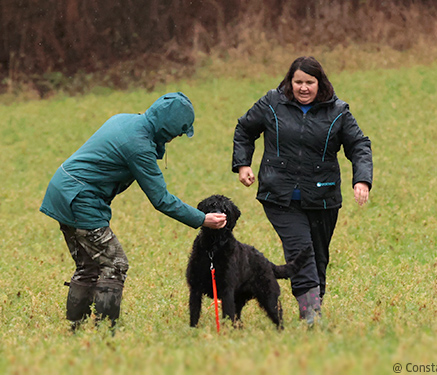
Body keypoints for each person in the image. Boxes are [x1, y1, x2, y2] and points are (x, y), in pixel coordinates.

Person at [40, 92, 227, 330]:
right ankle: (106, 331)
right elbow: (161, 199)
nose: (174, 139)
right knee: (116, 263)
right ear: (167, 129)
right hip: (81, 201)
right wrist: (202, 219)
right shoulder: (138, 147)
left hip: (62, 192)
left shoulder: (125, 120)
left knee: (88, 266)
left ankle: (76, 327)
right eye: (177, 133)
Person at [232, 57, 372, 325]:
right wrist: (243, 164)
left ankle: (311, 307)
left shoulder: (338, 111)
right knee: (301, 250)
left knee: (318, 256)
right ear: (290, 81)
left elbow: (359, 145)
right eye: (298, 82)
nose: (304, 88)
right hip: (279, 195)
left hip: (323, 197)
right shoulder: (272, 103)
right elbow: (244, 129)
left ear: (321, 84)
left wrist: (362, 180)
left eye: (310, 82)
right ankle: (311, 315)